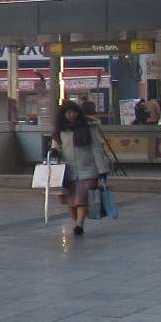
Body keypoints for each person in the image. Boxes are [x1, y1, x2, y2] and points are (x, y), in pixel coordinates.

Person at [52, 98, 104, 239]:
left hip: (88, 169)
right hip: (68, 171)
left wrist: (102, 169)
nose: (71, 115)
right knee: (71, 201)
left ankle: (79, 224)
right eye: (68, 113)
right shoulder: (59, 131)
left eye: (74, 112)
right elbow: (55, 147)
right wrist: (55, 152)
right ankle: (77, 223)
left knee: (82, 198)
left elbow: (96, 149)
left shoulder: (88, 128)